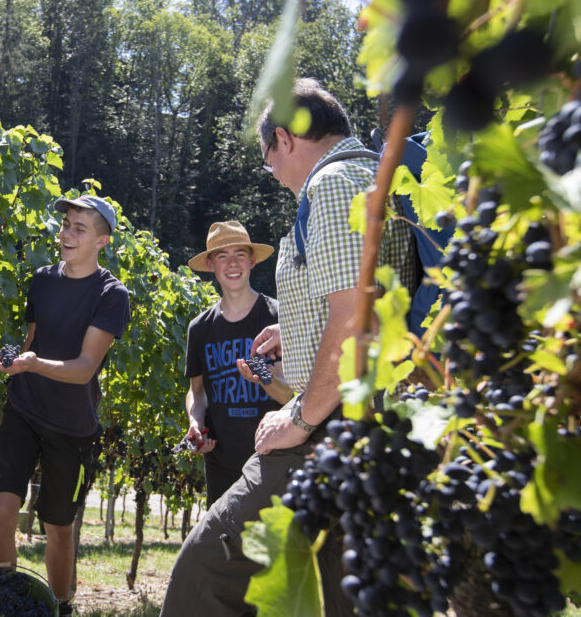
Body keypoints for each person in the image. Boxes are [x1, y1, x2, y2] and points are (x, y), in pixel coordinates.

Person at [161, 78, 416, 617]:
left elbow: (355, 320)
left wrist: (300, 418)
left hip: (328, 426)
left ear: (284, 137)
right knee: (335, 597)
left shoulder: (333, 185)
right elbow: (358, 297)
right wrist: (296, 329)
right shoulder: (362, 174)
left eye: (268, 157)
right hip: (361, 429)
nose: (272, 173)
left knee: (202, 577)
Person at [0, 195, 131, 616]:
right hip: (24, 409)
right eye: (66, 225)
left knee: (58, 528)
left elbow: (85, 368)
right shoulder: (42, 279)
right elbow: (31, 340)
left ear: (101, 241)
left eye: (79, 229)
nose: (66, 234)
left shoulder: (111, 295)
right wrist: (11, 358)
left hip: (71, 426)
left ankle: (61, 607)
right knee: (2, 509)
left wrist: (32, 363)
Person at [182, 221, 291, 507]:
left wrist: (263, 377)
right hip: (220, 464)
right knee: (225, 549)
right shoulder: (200, 328)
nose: (232, 263)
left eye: (240, 254)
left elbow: (291, 396)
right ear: (211, 265)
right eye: (222, 256)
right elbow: (198, 392)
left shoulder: (277, 319)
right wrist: (195, 423)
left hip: (271, 461)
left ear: (252, 260)